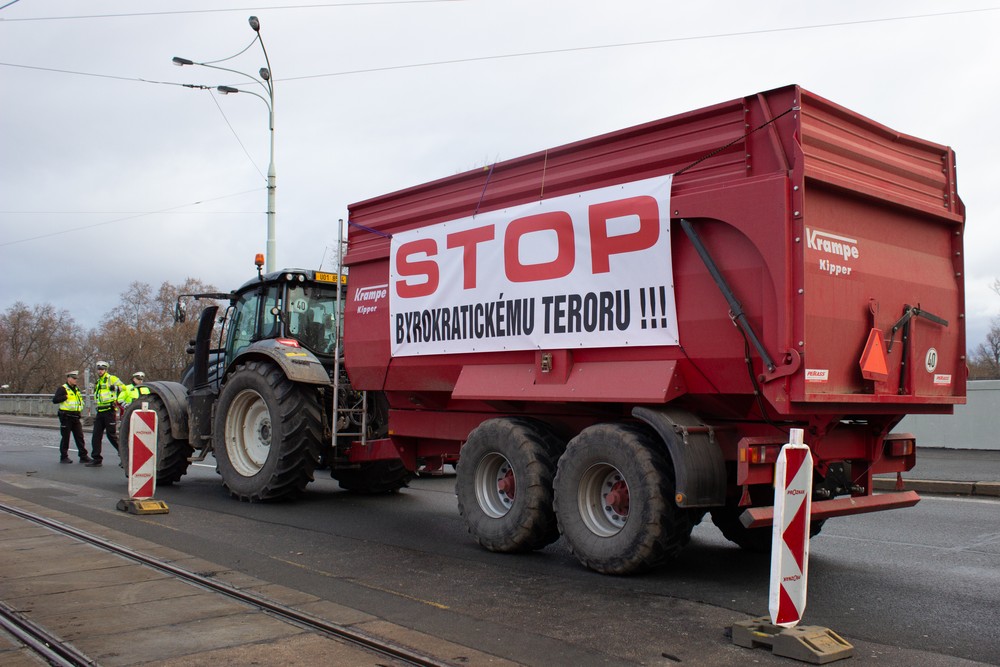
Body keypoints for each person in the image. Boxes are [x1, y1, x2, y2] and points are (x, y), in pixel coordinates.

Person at [51, 371, 91, 463]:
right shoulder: (62, 388)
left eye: (76, 378)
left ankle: (83, 456)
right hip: (66, 416)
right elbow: (55, 400)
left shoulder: (76, 389)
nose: (75, 380)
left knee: (79, 437)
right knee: (65, 438)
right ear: (68, 378)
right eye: (73, 378)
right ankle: (64, 457)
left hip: (75, 416)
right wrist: (64, 397)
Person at [90, 360, 123, 467]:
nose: (100, 371)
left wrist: (116, 388)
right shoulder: (98, 382)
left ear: (106, 370)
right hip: (100, 411)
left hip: (109, 411)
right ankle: (96, 459)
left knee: (111, 435)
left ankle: (124, 455)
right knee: (96, 436)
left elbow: (124, 388)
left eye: (102, 369)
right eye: (99, 369)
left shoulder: (111, 378)